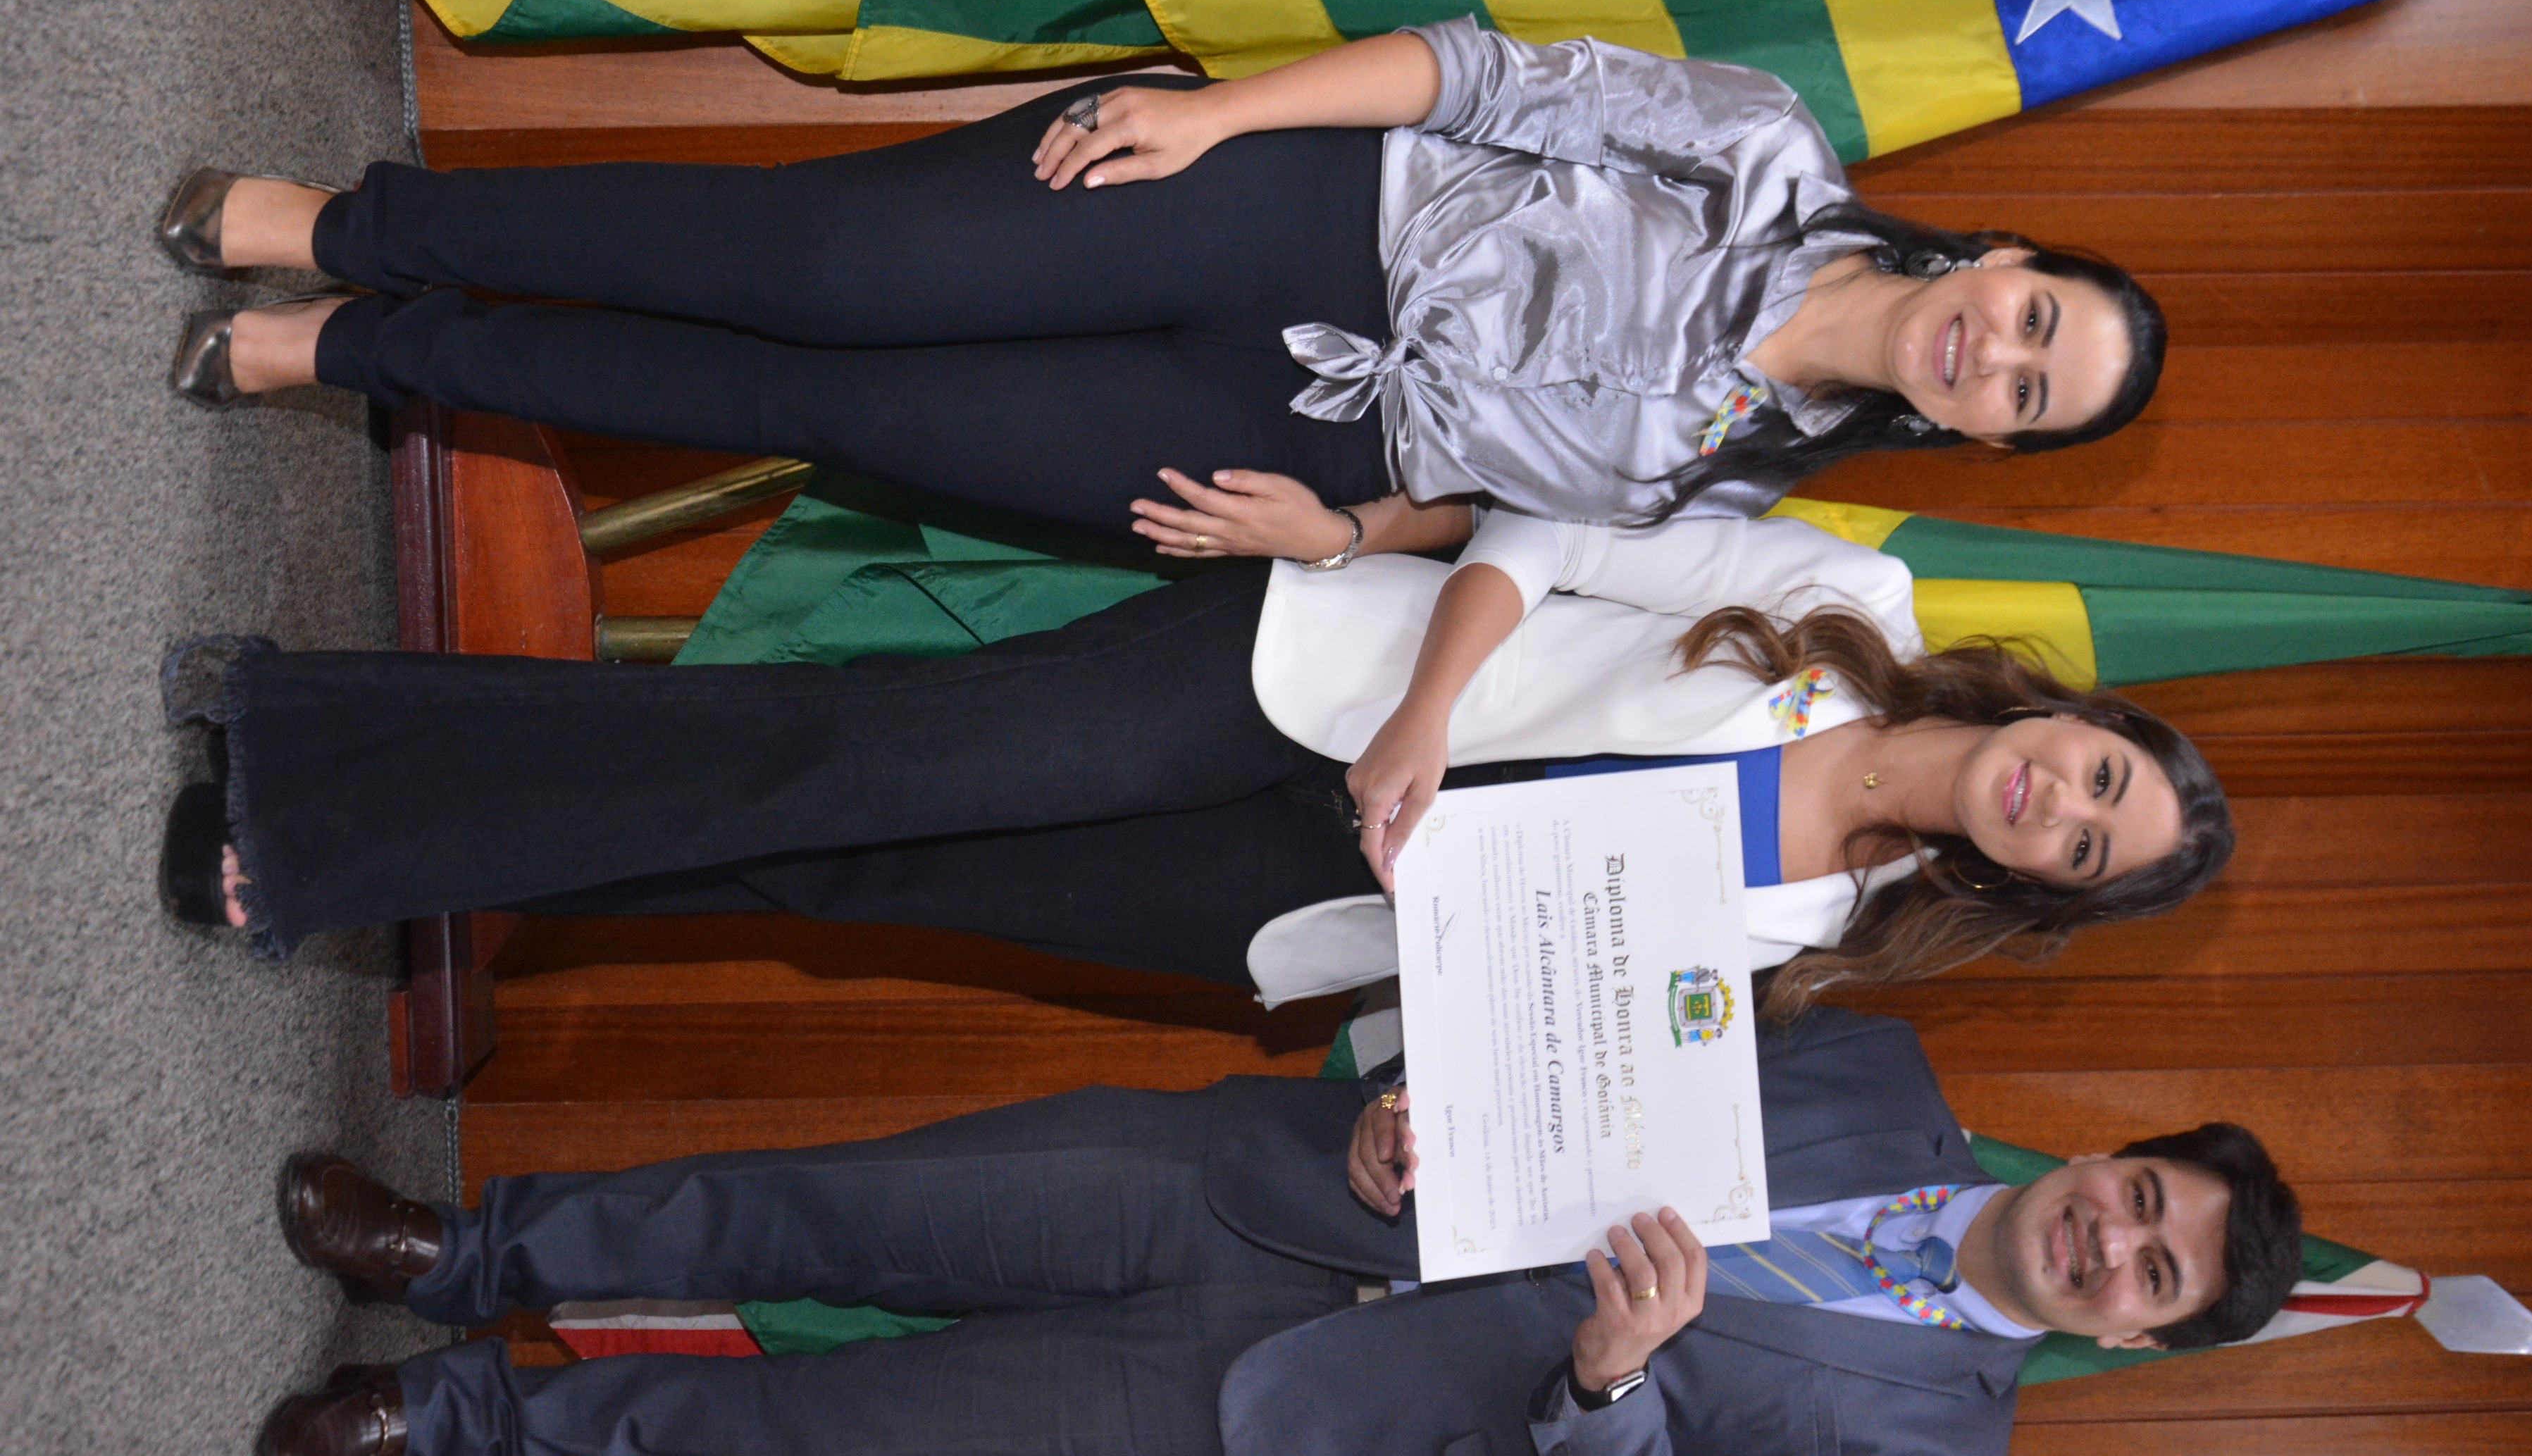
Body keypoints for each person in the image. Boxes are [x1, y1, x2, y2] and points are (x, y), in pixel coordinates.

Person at [252, 1004, 2304, 1456]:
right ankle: (466, 1254)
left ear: (2133, 1337)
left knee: (831, 1433)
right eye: (2146, 1196)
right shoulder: (1873, 1067)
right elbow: (1585, 1010)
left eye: (2155, 1275)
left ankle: (444, 1426)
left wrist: (1612, 1390)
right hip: (1277, 1183)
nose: (2114, 1242)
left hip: (1280, 1421)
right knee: (829, 1208)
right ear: (2113, 1153)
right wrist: (1427, 1083)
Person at [162, 18, 2166, 547]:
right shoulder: (1768, 152)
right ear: (2001, 261)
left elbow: (1505, 520)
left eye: (2028, 394)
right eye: (2036, 321)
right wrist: (1221, 116)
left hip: (1294, 441)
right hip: (1292, 204)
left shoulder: (1756, 477)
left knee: (811, 409)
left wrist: (1342, 533)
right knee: (815, 263)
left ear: (1986, 437)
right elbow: (1483, 76)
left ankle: (362, 349)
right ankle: (348, 228)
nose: (1998, 355)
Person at [162, 502, 2230, 1001]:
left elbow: (1544, 1003)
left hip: (1288, 904)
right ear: (2075, 719)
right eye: (2102, 776)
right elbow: (1548, 532)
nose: (2061, 806)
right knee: (832, 760)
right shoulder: (1854, 597)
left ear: (2036, 891)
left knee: (829, 872)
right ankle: (309, 802)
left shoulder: (1819, 941)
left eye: (2086, 848)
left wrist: (1429, 1110)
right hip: (1304, 686)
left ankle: (353, 785)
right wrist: (1426, 716)